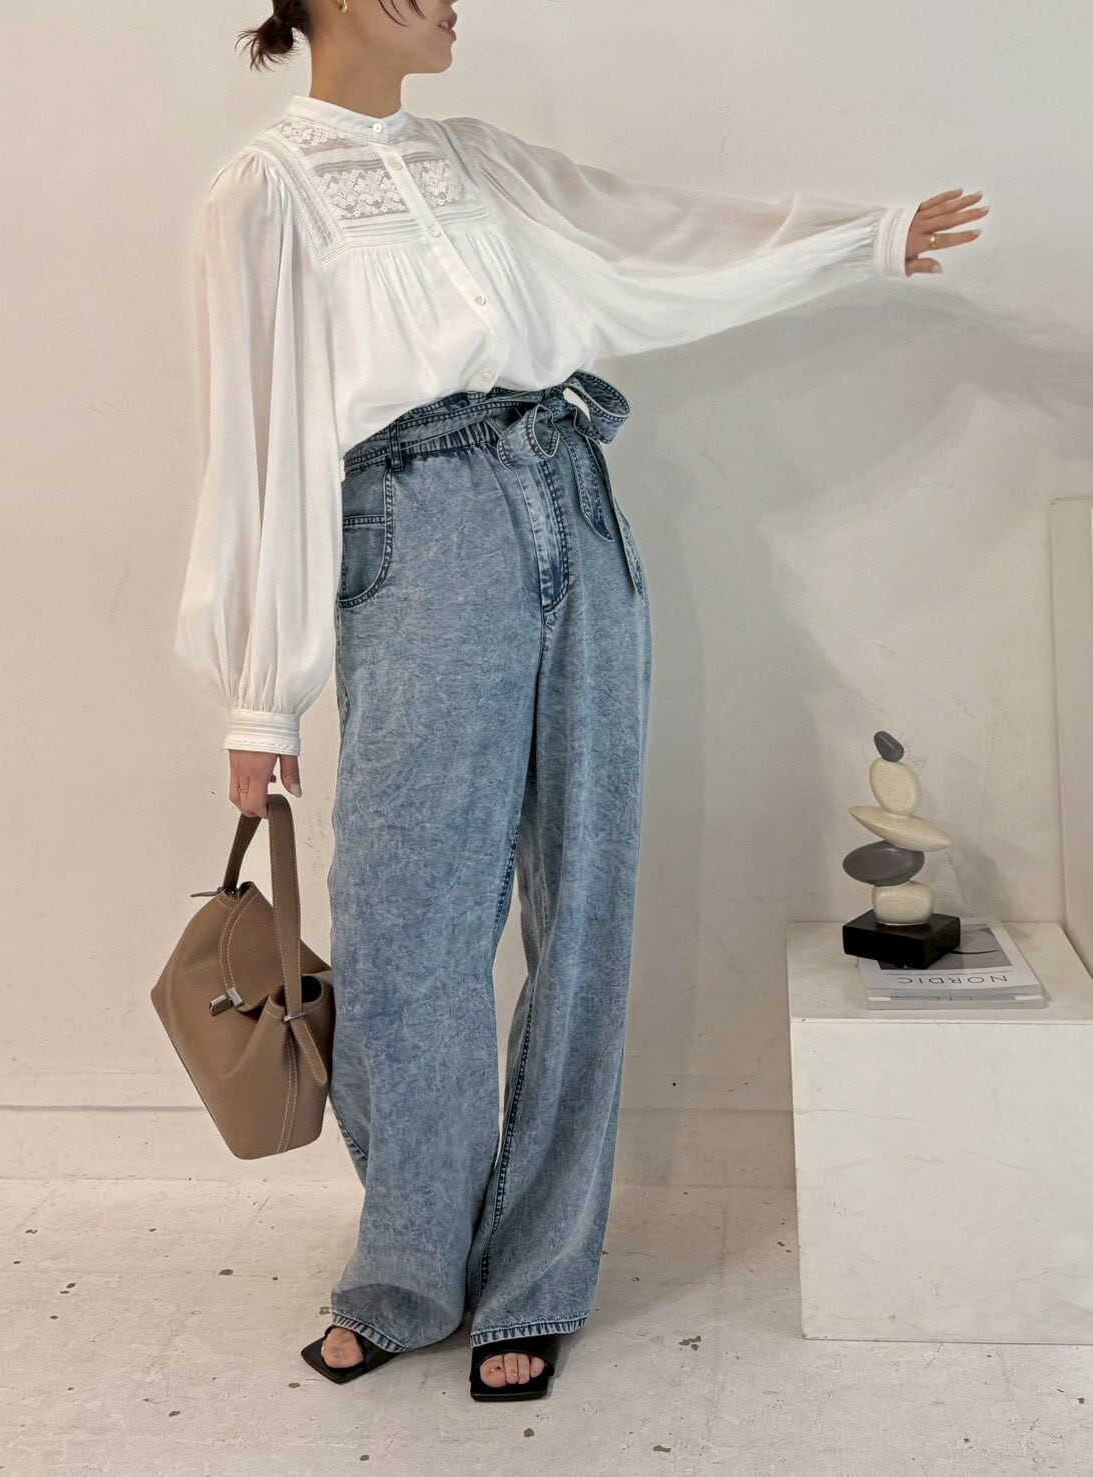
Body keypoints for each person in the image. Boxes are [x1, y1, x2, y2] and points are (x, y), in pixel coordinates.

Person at [172, 0, 989, 1402]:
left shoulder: (482, 160)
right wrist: (263, 698)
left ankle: (538, 1276)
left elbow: (658, 238)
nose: (456, 4)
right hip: (417, 533)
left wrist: (859, 239)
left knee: (585, 902)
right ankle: (406, 1270)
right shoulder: (266, 190)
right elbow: (257, 443)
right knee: (412, 925)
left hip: (572, 500)